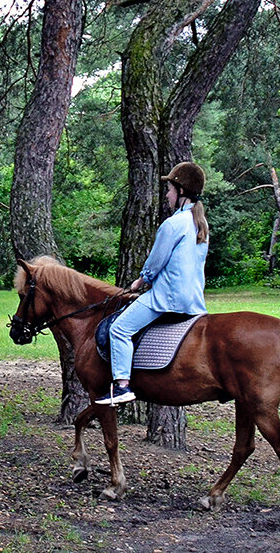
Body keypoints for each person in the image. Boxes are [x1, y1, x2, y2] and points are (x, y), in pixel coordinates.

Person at [95, 161, 210, 405]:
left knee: (119, 329)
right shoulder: (201, 224)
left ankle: (122, 386)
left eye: (169, 189)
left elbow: (157, 261)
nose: (167, 195)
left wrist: (141, 280)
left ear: (181, 192)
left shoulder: (173, 224)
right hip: (194, 300)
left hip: (167, 297)